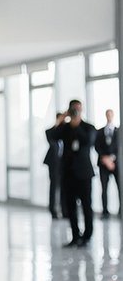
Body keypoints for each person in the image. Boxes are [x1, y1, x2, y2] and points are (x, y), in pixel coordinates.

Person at [48, 99, 96, 247]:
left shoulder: (88, 127)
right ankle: (75, 236)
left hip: (84, 173)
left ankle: (87, 236)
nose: (76, 112)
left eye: (78, 109)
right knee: (70, 206)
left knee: (87, 205)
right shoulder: (65, 128)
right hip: (68, 173)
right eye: (73, 109)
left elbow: (88, 142)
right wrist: (60, 120)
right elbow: (51, 136)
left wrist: (77, 126)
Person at [94, 108, 119, 218]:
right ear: (105, 116)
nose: (109, 116)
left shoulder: (118, 131)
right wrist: (105, 159)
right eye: (107, 114)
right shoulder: (99, 132)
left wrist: (112, 158)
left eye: (110, 114)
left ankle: (121, 211)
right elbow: (96, 146)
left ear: (113, 116)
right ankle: (105, 211)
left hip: (116, 163)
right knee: (104, 188)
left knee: (120, 188)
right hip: (103, 164)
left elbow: (119, 147)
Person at [44, 113, 66, 219]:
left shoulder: (66, 132)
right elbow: (49, 134)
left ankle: (65, 210)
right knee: (54, 187)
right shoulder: (52, 133)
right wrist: (57, 122)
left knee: (65, 188)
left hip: (65, 165)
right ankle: (53, 210)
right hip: (54, 165)